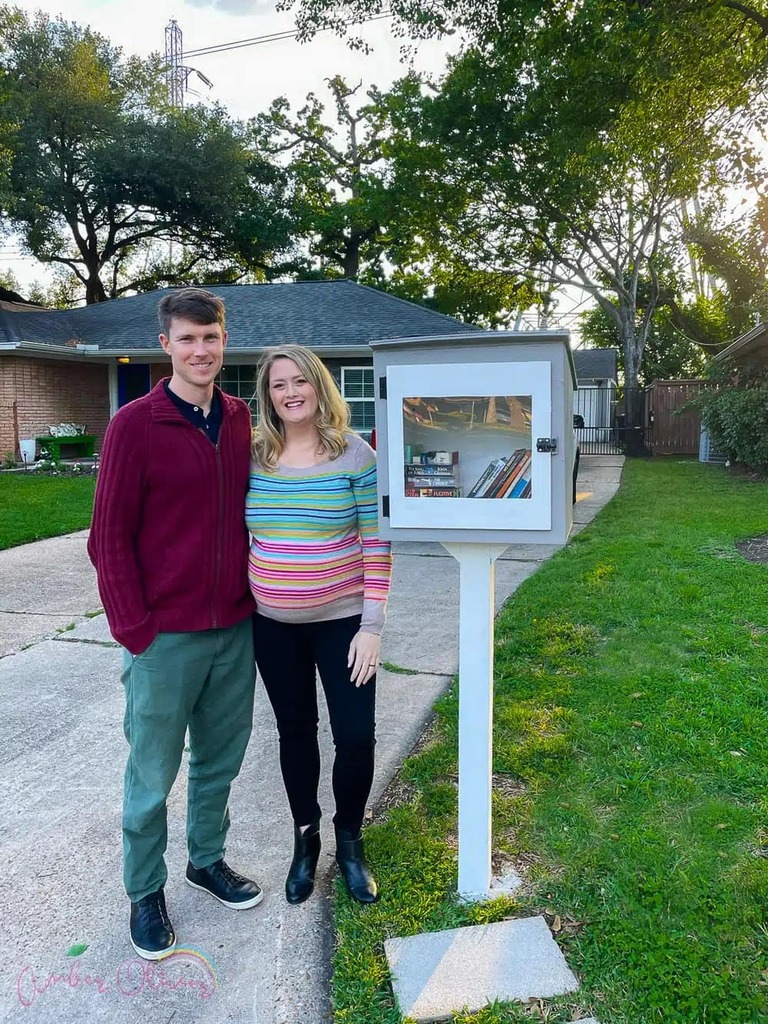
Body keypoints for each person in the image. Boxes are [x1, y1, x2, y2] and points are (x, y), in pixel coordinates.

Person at [88, 288, 262, 961]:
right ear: (166, 345)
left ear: (224, 341)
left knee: (219, 762)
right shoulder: (135, 424)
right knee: (152, 775)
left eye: (210, 337)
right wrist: (136, 630)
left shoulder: (241, 419)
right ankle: (144, 890)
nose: (200, 349)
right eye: (187, 338)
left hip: (234, 629)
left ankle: (206, 860)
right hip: (163, 638)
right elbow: (107, 539)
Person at [246, 345, 392, 905]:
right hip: (272, 626)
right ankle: (305, 842)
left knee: (354, 736)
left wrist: (372, 626)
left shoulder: (354, 455)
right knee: (296, 734)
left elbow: (377, 541)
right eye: (279, 384)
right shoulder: (253, 454)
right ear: (268, 396)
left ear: (319, 386)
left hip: (343, 623)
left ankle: (350, 842)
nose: (291, 393)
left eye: (300, 381)